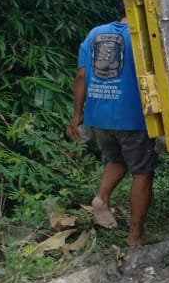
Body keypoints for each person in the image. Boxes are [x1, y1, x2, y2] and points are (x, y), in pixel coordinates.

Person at [66, 14, 157, 246]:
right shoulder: (142, 35)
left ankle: (101, 198)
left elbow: (81, 75)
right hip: (131, 116)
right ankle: (136, 235)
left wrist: (77, 115)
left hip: (98, 116)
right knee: (142, 172)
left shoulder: (95, 32)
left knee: (117, 159)